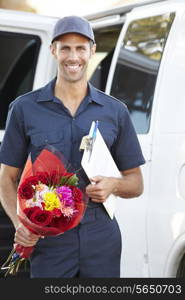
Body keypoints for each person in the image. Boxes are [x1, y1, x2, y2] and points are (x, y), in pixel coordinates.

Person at [0, 15, 145, 278]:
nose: (72, 56)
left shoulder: (116, 111)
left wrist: (114, 184)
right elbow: (6, 180)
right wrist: (22, 223)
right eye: (65, 47)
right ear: (53, 50)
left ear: (92, 50)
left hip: (102, 236)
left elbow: (136, 183)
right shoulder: (24, 109)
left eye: (80, 48)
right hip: (49, 240)